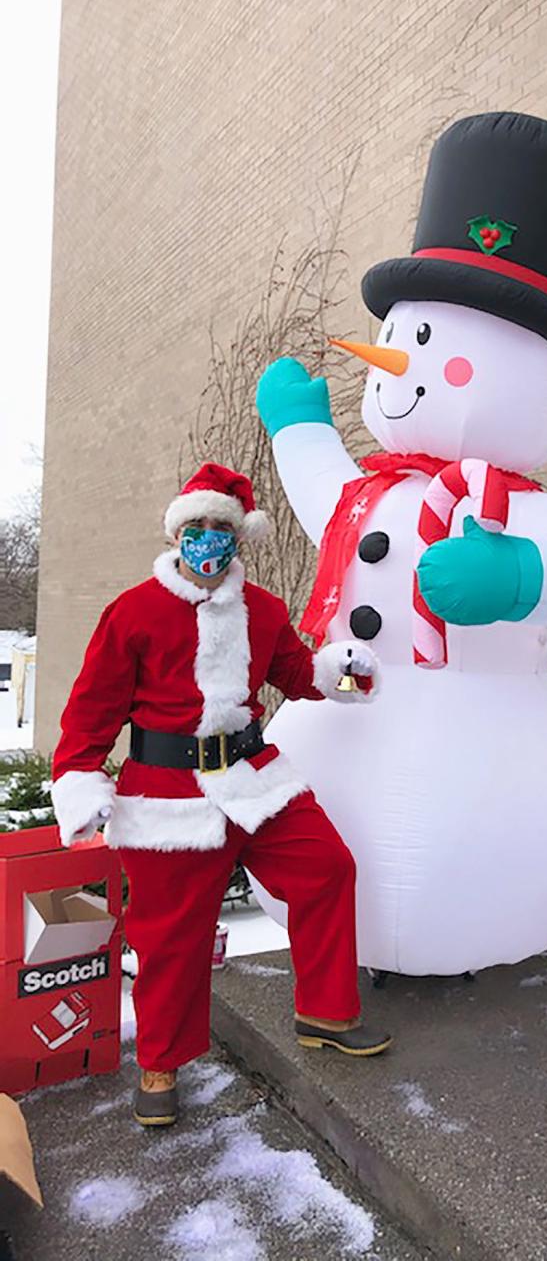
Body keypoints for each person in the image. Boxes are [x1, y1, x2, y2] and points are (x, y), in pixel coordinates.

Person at [51, 463, 391, 1129]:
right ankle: (160, 1063)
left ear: (239, 538)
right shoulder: (134, 611)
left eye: (223, 530)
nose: (210, 540)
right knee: (171, 938)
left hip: (253, 778)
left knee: (327, 867)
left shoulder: (261, 610)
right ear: (180, 535)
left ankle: (324, 1011)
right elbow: (90, 712)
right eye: (199, 529)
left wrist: (351, 677)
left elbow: (301, 678)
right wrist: (79, 777)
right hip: (166, 796)